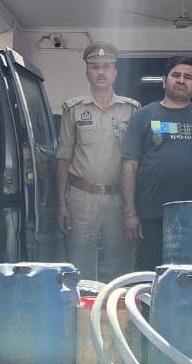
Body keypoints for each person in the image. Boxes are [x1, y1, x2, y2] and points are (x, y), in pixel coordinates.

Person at [121, 56, 192, 271]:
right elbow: (130, 166)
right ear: (164, 81)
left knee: (191, 275)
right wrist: (130, 213)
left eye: (188, 77)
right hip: (152, 213)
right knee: (150, 276)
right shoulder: (142, 117)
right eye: (176, 75)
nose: (182, 80)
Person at [55, 42, 138, 281]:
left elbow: (135, 162)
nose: (101, 72)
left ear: (115, 73)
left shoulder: (131, 109)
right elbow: (63, 158)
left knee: (121, 267)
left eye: (107, 67)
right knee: (79, 268)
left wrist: (133, 207)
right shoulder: (73, 109)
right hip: (82, 198)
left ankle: (119, 306)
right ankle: (81, 306)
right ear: (87, 72)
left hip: (118, 199)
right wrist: (61, 203)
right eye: (95, 67)